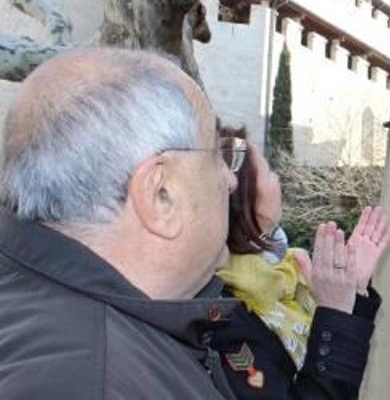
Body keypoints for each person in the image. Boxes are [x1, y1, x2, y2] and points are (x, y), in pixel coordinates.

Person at [0, 48, 357, 399]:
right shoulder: (93, 384)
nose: (231, 181)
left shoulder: (71, 323)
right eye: (218, 154)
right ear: (161, 194)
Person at [211, 126, 390, 399]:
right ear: (243, 198)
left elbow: (340, 376)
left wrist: (353, 290)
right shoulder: (222, 312)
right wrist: (335, 315)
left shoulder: (284, 276)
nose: (278, 180)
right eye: (270, 172)